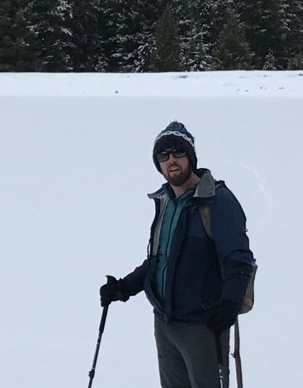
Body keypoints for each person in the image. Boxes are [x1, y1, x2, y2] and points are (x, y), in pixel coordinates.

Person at [100, 121, 256, 388]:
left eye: (178, 152)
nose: (171, 160)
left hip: (203, 327)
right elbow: (160, 259)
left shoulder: (217, 201)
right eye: (163, 155)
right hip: (165, 322)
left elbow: (239, 262)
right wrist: (125, 287)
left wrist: (228, 306)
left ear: (191, 157)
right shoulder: (165, 201)